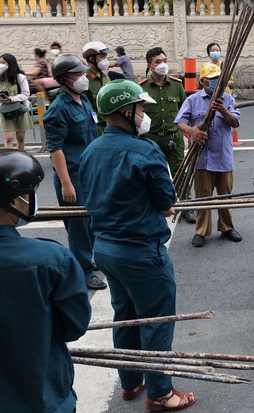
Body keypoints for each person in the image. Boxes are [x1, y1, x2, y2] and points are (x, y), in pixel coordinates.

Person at [80, 80, 197, 411]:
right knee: (156, 320)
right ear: (127, 111)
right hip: (141, 251)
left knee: (126, 316)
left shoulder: (91, 151)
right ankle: (161, 394)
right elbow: (166, 202)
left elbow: (91, 198)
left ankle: (131, 382)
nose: (145, 114)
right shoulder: (145, 151)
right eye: (142, 108)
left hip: (105, 249)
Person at [0, 149, 91, 412]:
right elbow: (74, 327)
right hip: (48, 399)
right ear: (14, 200)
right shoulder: (54, 259)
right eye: (30, 192)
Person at [42, 54, 106, 290]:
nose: (82, 77)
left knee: (92, 221)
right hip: (73, 176)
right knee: (78, 227)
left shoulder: (85, 101)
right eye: (76, 74)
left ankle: (88, 259)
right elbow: (55, 149)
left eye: (82, 73)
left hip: (90, 173)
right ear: (62, 80)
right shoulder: (59, 109)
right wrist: (66, 183)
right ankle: (84, 270)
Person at [175, 63, 242, 248]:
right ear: (203, 81)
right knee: (202, 196)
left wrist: (223, 110)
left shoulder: (227, 99)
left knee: (225, 195)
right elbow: (180, 121)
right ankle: (201, 231)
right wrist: (192, 131)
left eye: (218, 79)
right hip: (201, 158)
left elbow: (235, 122)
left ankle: (227, 227)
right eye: (212, 80)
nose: (216, 83)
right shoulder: (193, 100)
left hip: (223, 156)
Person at [138, 47, 187, 179]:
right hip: (151, 139)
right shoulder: (141, 88)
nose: (163, 64)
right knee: (154, 177)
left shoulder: (176, 85)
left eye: (164, 61)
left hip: (173, 138)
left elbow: (185, 111)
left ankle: (184, 200)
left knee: (180, 175)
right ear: (150, 66)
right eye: (158, 62)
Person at [0, 53, 33, 150]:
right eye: (0, 62)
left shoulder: (20, 77)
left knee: (20, 138)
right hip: (6, 111)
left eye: (4, 62)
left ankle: (20, 158)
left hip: (19, 110)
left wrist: (11, 98)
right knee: (8, 138)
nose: (1, 65)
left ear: (10, 63)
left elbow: (26, 94)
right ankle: (8, 160)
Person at [82, 40, 111, 135]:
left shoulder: (103, 77)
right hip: (94, 129)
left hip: (108, 127)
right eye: (102, 57)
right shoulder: (85, 80)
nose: (105, 60)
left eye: (105, 57)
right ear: (91, 59)